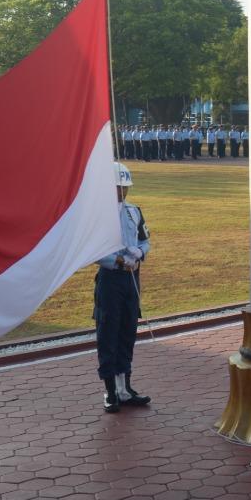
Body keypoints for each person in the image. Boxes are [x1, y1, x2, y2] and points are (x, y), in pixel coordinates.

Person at [94, 163, 152, 414]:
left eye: (125, 188)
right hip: (111, 280)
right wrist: (118, 260)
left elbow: (144, 240)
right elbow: (93, 251)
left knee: (128, 330)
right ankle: (109, 390)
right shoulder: (98, 215)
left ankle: (124, 387)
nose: (122, 192)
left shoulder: (133, 212)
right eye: (118, 187)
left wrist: (139, 253)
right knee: (109, 332)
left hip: (131, 279)